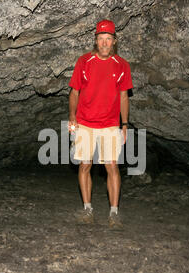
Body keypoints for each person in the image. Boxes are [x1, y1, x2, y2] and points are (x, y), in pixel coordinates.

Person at [68, 19, 133, 229]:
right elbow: (74, 91)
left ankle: (114, 213)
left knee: (111, 166)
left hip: (110, 124)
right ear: (96, 40)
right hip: (85, 122)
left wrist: (125, 125)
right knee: (85, 164)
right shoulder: (84, 61)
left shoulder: (122, 65)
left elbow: (124, 96)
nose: (105, 43)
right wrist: (72, 117)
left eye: (108, 39)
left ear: (114, 41)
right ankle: (87, 209)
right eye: (101, 39)